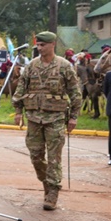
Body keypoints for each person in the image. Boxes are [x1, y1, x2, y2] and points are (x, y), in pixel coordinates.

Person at [11, 31, 82, 211]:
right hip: (34, 118)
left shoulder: (64, 66)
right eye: (38, 46)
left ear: (53, 45)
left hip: (56, 118)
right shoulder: (31, 66)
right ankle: (46, 182)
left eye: (43, 45)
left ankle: (53, 191)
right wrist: (18, 112)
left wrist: (73, 117)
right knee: (35, 156)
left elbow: (75, 93)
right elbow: (20, 89)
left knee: (54, 158)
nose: (40, 48)